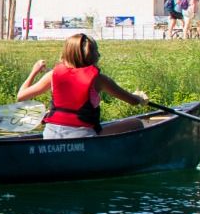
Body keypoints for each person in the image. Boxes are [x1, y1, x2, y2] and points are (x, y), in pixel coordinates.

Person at [17, 32, 150, 139]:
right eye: (97, 50)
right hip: (82, 137)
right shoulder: (99, 79)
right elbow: (132, 101)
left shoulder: (52, 75)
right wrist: (139, 98)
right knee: (136, 123)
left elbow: (21, 96)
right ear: (93, 55)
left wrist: (34, 71)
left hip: (50, 136)